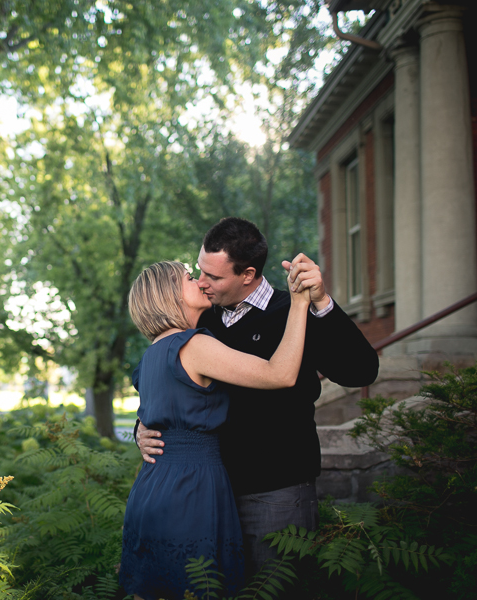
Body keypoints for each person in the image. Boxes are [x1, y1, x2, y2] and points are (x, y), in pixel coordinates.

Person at [136, 217, 379, 580]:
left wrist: (322, 303)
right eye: (199, 271)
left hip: (276, 491)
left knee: (277, 589)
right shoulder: (199, 323)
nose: (202, 282)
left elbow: (361, 372)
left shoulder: (293, 313)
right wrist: (143, 426)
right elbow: (165, 384)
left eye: (213, 277)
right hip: (210, 494)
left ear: (247, 274)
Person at [120, 259, 316, 600]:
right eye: (187, 278)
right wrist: (299, 303)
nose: (199, 281)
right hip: (190, 488)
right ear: (170, 296)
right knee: (200, 586)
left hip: (153, 485)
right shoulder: (193, 345)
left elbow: (159, 412)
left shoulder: (151, 355)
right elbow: (280, 374)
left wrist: (140, 430)